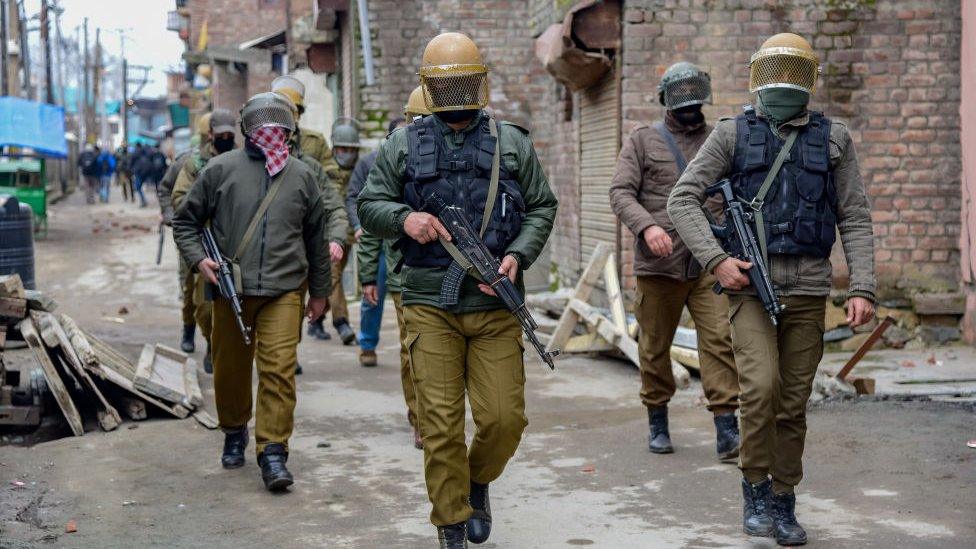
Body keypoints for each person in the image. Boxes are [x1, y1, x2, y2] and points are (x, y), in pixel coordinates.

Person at [667, 33, 876, 546]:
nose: (784, 81)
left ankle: (784, 499)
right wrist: (717, 262)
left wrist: (864, 288)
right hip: (749, 290)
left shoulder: (834, 139)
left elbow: (854, 216)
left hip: (808, 289)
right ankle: (755, 489)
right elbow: (683, 199)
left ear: (809, 79)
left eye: (793, 71)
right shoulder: (732, 134)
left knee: (793, 401)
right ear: (759, 77)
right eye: (776, 71)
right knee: (760, 389)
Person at [358, 32, 558, 548]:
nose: (455, 99)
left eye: (463, 85)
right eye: (446, 88)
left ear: (481, 84)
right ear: (428, 89)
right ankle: (450, 525)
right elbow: (369, 205)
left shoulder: (511, 141)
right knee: (440, 426)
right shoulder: (403, 143)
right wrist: (406, 219)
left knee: (503, 420)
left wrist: (518, 256)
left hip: (494, 306)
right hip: (429, 305)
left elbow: (541, 206)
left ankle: (477, 481)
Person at [173, 92, 333, 492]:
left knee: (279, 369)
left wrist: (320, 291)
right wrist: (199, 261)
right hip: (230, 289)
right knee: (230, 369)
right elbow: (185, 223)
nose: (269, 134)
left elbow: (316, 238)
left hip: (285, 290)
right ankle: (233, 430)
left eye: (277, 126)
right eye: (261, 126)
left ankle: (274, 451)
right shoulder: (219, 170)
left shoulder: (302, 176)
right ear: (247, 130)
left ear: (289, 131)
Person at [608, 62, 740, 460]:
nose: (689, 108)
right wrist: (647, 227)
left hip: (709, 263)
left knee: (719, 341)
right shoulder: (643, 141)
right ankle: (657, 418)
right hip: (659, 266)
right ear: (666, 100)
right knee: (653, 347)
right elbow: (620, 193)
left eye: (694, 100)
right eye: (681, 100)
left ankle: (726, 428)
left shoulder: (720, 139)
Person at [270, 86, 351, 372]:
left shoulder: (309, 158)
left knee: (305, 294)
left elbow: (331, 191)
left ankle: (292, 347)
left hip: (305, 239)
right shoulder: (242, 163)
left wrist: (335, 234)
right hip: (265, 254)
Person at [170, 109, 239, 374]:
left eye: (228, 135)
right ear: (210, 134)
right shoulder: (195, 163)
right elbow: (178, 197)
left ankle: (222, 348)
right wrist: (204, 204)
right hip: (204, 240)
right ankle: (208, 340)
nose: (224, 138)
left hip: (236, 241)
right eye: (219, 134)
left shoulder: (242, 160)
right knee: (202, 305)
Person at [348, 117, 406, 368]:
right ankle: (367, 345)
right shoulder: (372, 164)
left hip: (407, 251)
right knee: (372, 298)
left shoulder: (423, 164)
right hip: (380, 244)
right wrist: (358, 226)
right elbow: (356, 199)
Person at [159, 114, 210, 357]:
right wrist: (171, 215)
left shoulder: (231, 160)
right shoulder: (186, 162)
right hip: (190, 235)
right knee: (189, 289)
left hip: (219, 237)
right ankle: (188, 329)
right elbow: (166, 189)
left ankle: (213, 343)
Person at [309, 118, 361, 345]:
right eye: (342, 148)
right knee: (333, 277)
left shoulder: (362, 169)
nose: (347, 153)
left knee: (332, 280)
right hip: (329, 236)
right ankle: (342, 323)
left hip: (350, 235)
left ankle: (316, 320)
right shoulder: (325, 169)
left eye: (351, 149)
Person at [270, 75, 333, 166]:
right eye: (281, 109)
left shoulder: (316, 142)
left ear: (298, 114)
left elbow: (332, 176)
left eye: (291, 110)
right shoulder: (263, 141)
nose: (285, 115)